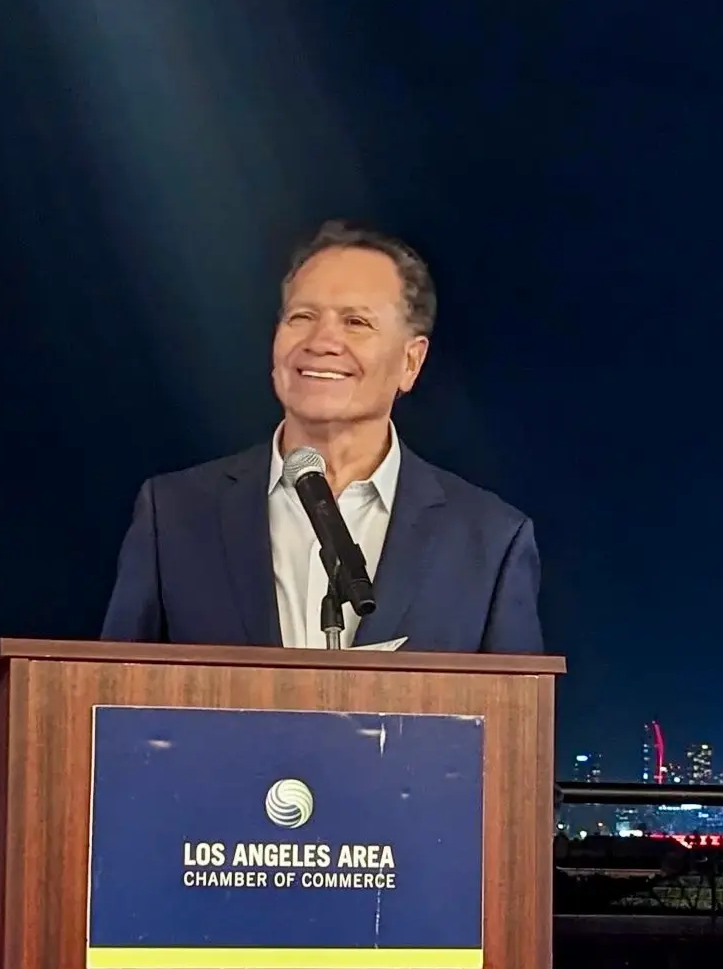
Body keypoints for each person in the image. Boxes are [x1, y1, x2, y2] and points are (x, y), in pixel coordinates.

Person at [100, 220, 541, 653]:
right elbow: (113, 702)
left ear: (411, 361)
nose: (322, 341)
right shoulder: (174, 517)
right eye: (302, 316)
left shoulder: (489, 541)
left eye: (356, 322)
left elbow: (515, 720)